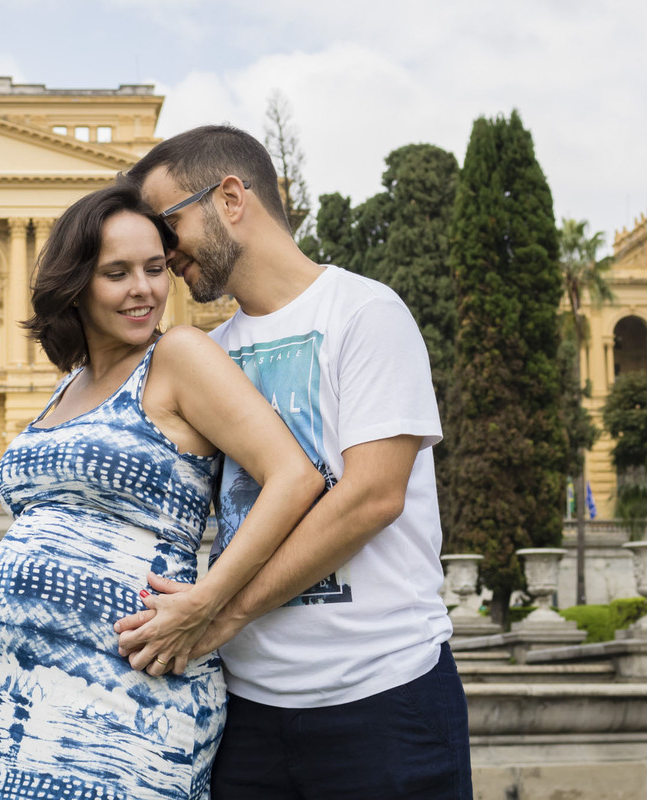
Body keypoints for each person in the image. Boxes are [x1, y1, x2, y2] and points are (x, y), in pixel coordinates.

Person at [112, 124, 472, 799]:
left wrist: (222, 608)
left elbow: (371, 497)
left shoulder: (365, 312)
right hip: (247, 714)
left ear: (229, 197)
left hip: (383, 699)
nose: (163, 253)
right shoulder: (206, 355)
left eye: (167, 225)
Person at [0, 183, 324, 800]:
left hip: (128, 702)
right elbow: (69, 508)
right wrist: (0, 567)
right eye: (117, 273)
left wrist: (209, 600)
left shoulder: (178, 356)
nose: (144, 290)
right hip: (19, 710)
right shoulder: (68, 385)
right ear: (75, 284)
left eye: (155, 269)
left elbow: (295, 477)